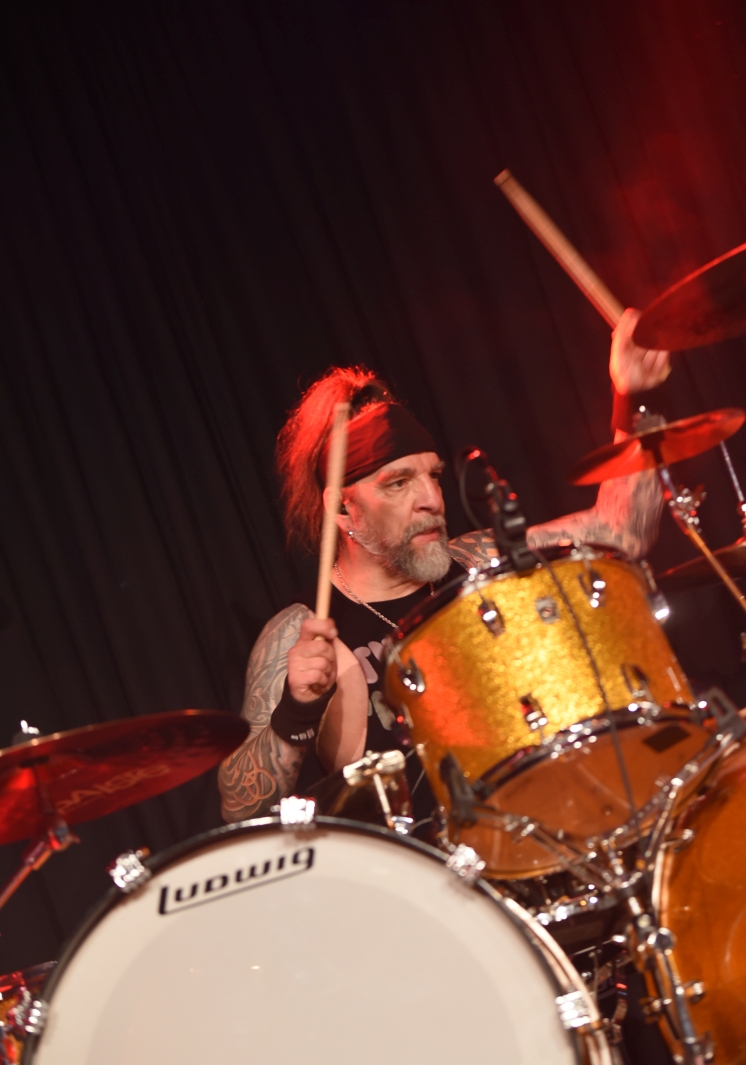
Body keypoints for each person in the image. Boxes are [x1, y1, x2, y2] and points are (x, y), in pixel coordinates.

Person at [218, 309, 670, 826]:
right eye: (398, 483)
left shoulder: (477, 561)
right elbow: (239, 808)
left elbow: (622, 530)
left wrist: (635, 397)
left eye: (432, 476)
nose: (433, 499)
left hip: (557, 825)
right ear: (343, 509)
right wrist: (296, 710)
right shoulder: (303, 633)